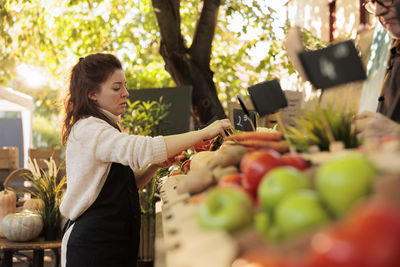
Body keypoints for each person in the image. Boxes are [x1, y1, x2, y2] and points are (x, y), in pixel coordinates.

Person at [60, 53, 232, 267]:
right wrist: (204, 132)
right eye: (116, 88)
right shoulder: (89, 129)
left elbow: (123, 187)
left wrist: (154, 167)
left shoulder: (103, 126)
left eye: (125, 86)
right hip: (91, 247)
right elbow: (143, 148)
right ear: (92, 93)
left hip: (113, 244)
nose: (126, 93)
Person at [355, 0, 400, 140]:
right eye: (374, 4)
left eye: (387, 0)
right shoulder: (395, 53)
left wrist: (395, 132)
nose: (378, 12)